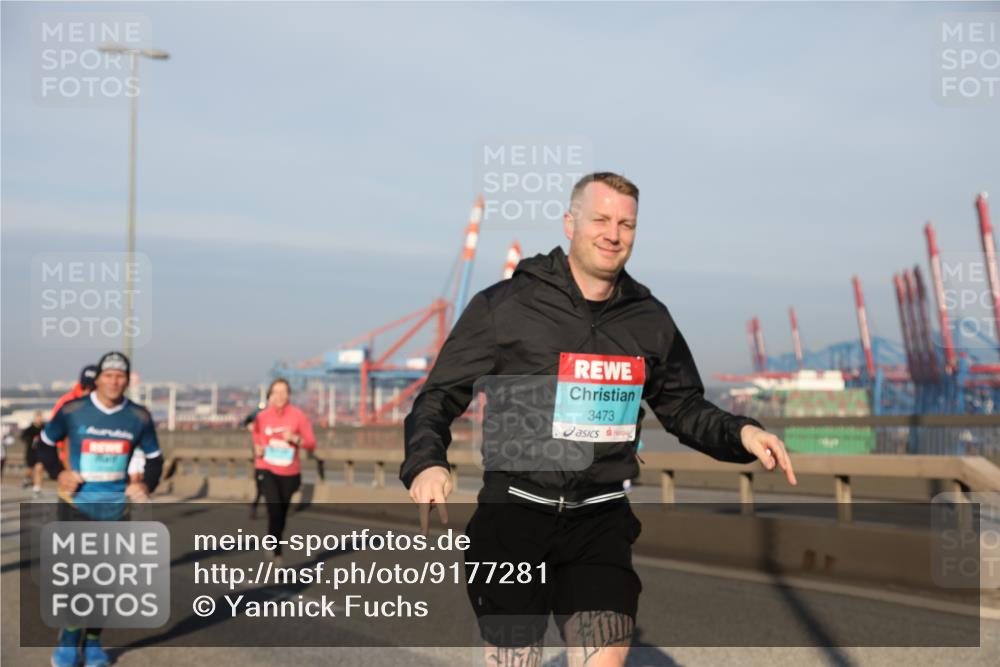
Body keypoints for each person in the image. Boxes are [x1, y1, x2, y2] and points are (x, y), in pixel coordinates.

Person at [401, 172, 797, 667]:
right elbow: (439, 395)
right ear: (571, 223)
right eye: (602, 219)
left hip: (600, 519)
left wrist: (742, 432)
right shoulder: (506, 306)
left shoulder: (648, 319)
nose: (613, 234)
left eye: (626, 224)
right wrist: (425, 462)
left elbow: (683, 405)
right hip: (515, 517)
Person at [37, 351, 163, 667]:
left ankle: (92, 642)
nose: (114, 381)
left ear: (127, 379)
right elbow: (44, 444)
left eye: (120, 376)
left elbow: (156, 457)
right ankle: (68, 642)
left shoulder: (139, 417)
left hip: (116, 507)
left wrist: (146, 485)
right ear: (98, 379)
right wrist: (59, 473)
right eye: (108, 375)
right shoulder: (73, 411)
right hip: (77, 504)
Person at [252, 379, 316, 562]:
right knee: (274, 509)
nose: (279, 396)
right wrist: (258, 448)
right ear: (270, 396)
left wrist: (295, 439)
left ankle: (273, 541)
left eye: (283, 392)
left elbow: (311, 444)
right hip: (267, 469)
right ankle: (277, 553)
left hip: (290, 473)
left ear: (289, 395)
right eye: (275, 392)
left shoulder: (298, 416)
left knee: (281, 513)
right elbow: (256, 437)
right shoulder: (262, 417)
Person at [51, 365, 99, 468]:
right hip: (71, 456)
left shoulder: (105, 403)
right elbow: (54, 429)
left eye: (92, 388)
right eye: (84, 387)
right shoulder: (67, 402)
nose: (87, 391)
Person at [243, 401, 266, 519]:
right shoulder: (255, 416)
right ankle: (254, 507)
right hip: (260, 463)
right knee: (260, 489)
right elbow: (246, 421)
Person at [20, 411, 45, 496]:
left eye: (40, 417)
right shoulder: (29, 429)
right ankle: (27, 479)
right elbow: (23, 437)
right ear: (35, 418)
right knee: (30, 470)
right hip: (31, 452)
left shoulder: (45, 428)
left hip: (41, 452)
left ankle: (37, 489)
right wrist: (30, 440)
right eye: (38, 417)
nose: (39, 419)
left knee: (39, 468)